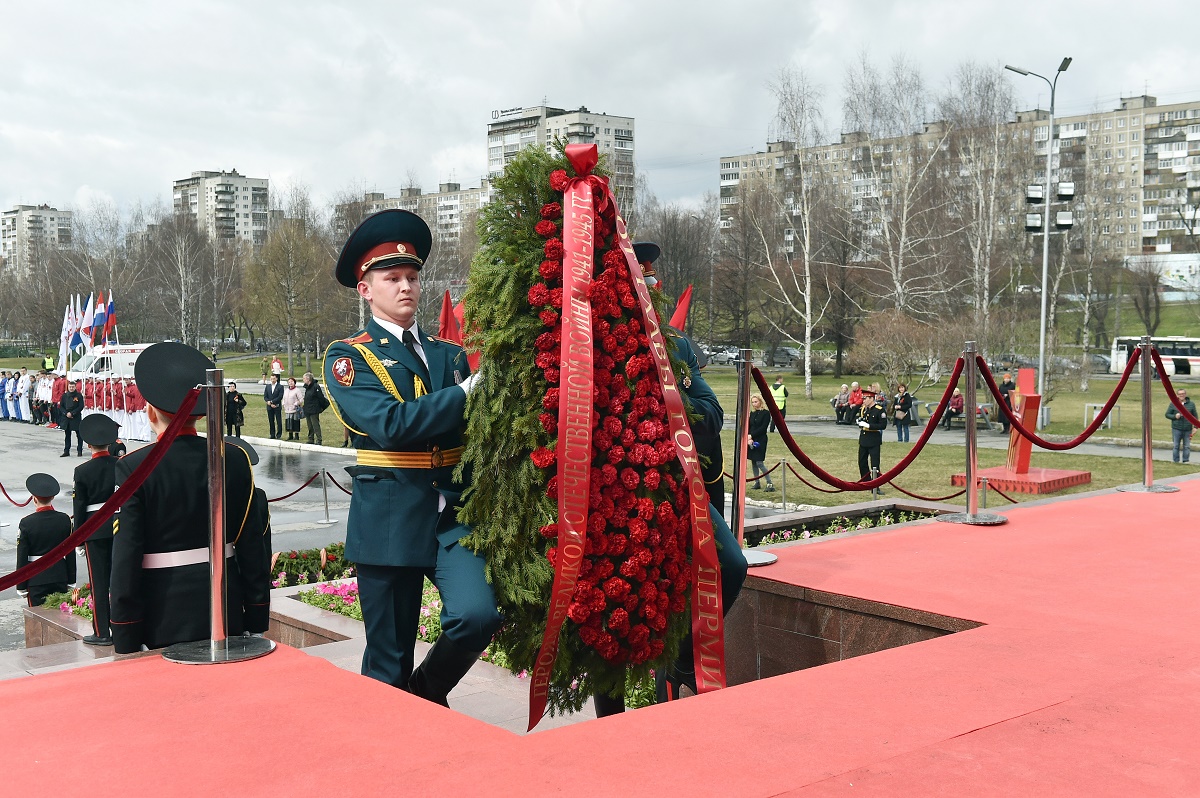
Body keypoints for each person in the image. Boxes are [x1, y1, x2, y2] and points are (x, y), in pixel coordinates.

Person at [323, 209, 499, 705]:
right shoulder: (350, 356)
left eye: (413, 277)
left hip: (452, 514)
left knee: (478, 615)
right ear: (365, 289)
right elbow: (392, 426)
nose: (406, 287)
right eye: (392, 277)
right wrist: (466, 394)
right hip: (390, 519)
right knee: (387, 663)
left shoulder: (448, 354)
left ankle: (425, 693)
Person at [626, 241, 748, 712]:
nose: (651, 290)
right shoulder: (591, 341)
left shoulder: (675, 345)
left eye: (653, 283)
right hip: (622, 492)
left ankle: (677, 667)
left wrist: (670, 404)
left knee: (731, 565)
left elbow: (713, 412)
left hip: (680, 489)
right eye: (643, 282)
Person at [109, 342, 270, 655]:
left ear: (150, 411)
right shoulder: (233, 458)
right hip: (226, 606)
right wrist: (257, 612)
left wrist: (125, 632)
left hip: (163, 612)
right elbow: (252, 545)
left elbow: (126, 556)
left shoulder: (134, 466)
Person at [73, 414, 121, 646]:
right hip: (120, 527)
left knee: (99, 583)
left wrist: (79, 539)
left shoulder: (82, 471)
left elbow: (79, 507)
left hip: (94, 530)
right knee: (122, 579)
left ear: (89, 444)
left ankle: (102, 632)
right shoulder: (121, 464)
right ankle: (125, 627)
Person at [15, 474, 75, 607]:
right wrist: (71, 579)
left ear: (33, 499)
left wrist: (21, 585)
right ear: (53, 497)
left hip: (36, 578)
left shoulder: (26, 523)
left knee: (37, 619)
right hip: (60, 575)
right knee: (61, 619)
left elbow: (22, 555)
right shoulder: (64, 519)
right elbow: (70, 552)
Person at [857, 391, 888, 481]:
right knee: (862, 462)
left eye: (865, 398)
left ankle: (875, 484)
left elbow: (883, 425)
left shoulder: (879, 410)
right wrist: (860, 423)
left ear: (871, 398)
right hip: (864, 439)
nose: (864, 400)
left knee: (875, 465)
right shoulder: (864, 409)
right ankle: (865, 481)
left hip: (873, 440)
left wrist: (869, 426)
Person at [747, 394, 774, 490]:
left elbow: (763, 428)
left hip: (761, 439)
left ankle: (769, 483)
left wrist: (752, 435)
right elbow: (749, 426)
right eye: (753, 402)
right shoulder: (752, 413)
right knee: (753, 462)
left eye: (756, 402)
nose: (754, 404)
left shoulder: (766, 413)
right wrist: (749, 437)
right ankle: (756, 482)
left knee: (759, 462)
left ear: (760, 402)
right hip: (751, 440)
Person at [1166, 388, 1197, 464]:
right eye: (1180, 394)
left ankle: (1185, 460)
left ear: (1185, 394)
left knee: (1187, 446)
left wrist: (1196, 427)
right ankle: (1176, 460)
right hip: (1176, 428)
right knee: (1176, 445)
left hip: (1187, 428)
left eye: (1183, 394)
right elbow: (1167, 414)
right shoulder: (1173, 403)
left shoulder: (1191, 404)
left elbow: (1195, 416)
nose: (1181, 395)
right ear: (1177, 395)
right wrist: (1174, 416)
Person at [301, 372, 328, 445]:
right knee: (310, 425)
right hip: (308, 409)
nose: (303, 380)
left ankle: (319, 439)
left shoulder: (316, 386)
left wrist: (321, 407)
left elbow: (321, 398)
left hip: (314, 409)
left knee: (315, 425)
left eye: (304, 378)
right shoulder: (307, 387)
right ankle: (311, 438)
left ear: (308, 379)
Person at [59, 379, 84, 456]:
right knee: (67, 435)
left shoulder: (79, 396)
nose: (71, 388)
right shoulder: (64, 395)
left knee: (79, 435)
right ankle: (66, 451)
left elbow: (81, 406)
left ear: (75, 387)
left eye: (73, 387)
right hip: (66, 417)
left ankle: (79, 450)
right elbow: (61, 406)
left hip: (75, 417)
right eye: (70, 387)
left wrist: (73, 413)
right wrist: (66, 413)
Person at [264, 374, 284, 440]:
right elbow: (265, 396)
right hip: (269, 406)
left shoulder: (280, 387)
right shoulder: (268, 386)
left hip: (277, 406)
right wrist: (269, 402)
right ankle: (272, 434)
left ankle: (279, 434)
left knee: (278, 420)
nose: (272, 380)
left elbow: (280, 396)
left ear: (276, 379)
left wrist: (272, 402)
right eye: (271, 378)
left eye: (274, 378)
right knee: (271, 421)